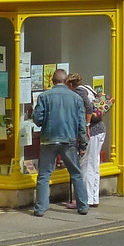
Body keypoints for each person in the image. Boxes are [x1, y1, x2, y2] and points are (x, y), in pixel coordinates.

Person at [32, 68, 88, 216]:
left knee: (44, 175)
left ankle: (40, 209)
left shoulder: (44, 96)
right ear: (66, 81)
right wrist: (83, 143)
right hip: (68, 140)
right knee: (76, 173)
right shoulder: (76, 98)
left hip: (48, 139)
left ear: (52, 81)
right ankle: (83, 206)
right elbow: (82, 124)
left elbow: (37, 120)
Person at [67, 73, 114, 208]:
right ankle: (93, 198)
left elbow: (88, 107)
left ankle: (85, 199)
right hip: (100, 131)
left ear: (70, 85)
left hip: (92, 132)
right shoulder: (87, 88)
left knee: (86, 165)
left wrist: (86, 125)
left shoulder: (78, 92)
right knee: (94, 165)